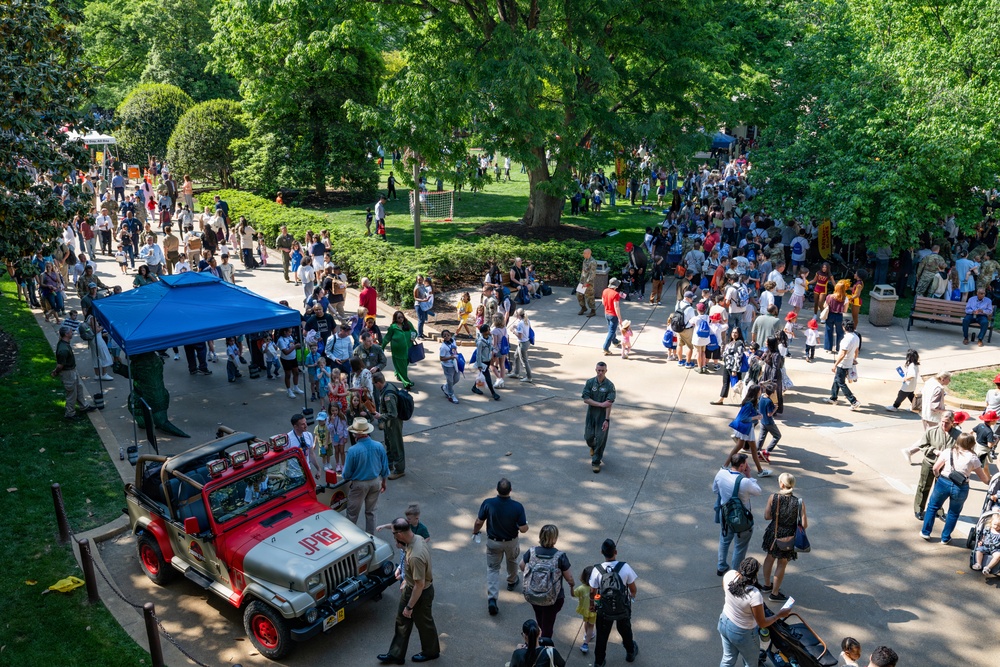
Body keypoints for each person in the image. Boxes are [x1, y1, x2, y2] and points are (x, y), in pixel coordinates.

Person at [377, 517, 440, 665]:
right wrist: (404, 575)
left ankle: (431, 652)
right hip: (410, 587)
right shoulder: (416, 538)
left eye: (393, 534)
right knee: (402, 621)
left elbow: (420, 584)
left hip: (420, 593)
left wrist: (409, 607)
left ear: (399, 534)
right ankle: (396, 654)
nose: (393, 537)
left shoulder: (415, 555)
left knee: (424, 622)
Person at [717, 557, 792, 667]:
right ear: (754, 574)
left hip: (724, 622)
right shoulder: (754, 594)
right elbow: (762, 623)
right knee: (751, 663)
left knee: (728, 658)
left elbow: (726, 589)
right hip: (742, 632)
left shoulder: (730, 575)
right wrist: (779, 615)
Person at [472, 477, 529, 617]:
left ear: (497, 490)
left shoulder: (488, 503)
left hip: (493, 542)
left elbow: (479, 521)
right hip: (511, 541)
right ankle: (511, 581)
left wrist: (475, 531)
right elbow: (523, 529)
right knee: (512, 560)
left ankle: (492, 598)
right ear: (510, 490)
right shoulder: (517, 507)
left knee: (493, 568)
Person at [921, 433, 991, 543]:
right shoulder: (973, 458)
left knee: (933, 507)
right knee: (953, 513)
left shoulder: (948, 452)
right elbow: (983, 478)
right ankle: (945, 537)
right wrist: (991, 482)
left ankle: (926, 532)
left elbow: (935, 468)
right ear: (971, 444)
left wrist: (938, 477)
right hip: (961, 487)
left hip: (943, 481)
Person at [588, 538, 639, 667]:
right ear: (615, 551)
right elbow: (633, 590)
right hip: (622, 608)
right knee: (625, 631)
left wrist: (592, 605)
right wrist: (630, 599)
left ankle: (599, 662)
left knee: (602, 636)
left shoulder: (597, 570)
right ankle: (630, 652)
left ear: (601, 552)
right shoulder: (625, 567)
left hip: (604, 610)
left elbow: (592, 592)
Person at [519, 524, 574, 641]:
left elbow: (521, 566)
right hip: (553, 597)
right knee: (548, 623)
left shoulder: (532, 552)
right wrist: (572, 584)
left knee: (540, 616)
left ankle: (540, 632)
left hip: (534, 594)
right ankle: (544, 645)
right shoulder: (560, 556)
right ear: (555, 538)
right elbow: (569, 577)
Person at [713, 453, 762, 576]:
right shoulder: (745, 481)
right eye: (746, 463)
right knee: (740, 547)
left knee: (724, 540)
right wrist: (749, 475)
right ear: (741, 466)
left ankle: (721, 566)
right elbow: (758, 491)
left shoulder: (720, 474)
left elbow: (715, 490)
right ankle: (735, 573)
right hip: (742, 519)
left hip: (725, 515)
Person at [760, 473, 806, 602]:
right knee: (782, 563)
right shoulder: (799, 502)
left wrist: (777, 517)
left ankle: (767, 585)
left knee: (769, 558)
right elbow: (804, 524)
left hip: (773, 533)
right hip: (788, 536)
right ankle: (775, 593)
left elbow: (767, 516)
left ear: (781, 484)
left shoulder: (773, 497)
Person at [342, 417, 389, 534]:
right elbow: (385, 467)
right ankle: (371, 538)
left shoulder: (353, 450)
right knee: (371, 512)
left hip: (359, 485)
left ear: (355, 434)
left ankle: (351, 538)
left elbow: (346, 474)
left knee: (352, 514)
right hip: (375, 482)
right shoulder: (378, 446)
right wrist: (383, 482)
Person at [51, 326, 96, 420]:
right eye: (71, 332)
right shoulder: (63, 350)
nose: (72, 333)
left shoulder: (64, 343)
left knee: (79, 389)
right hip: (68, 373)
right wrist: (55, 372)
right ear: (66, 334)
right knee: (71, 393)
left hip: (72, 370)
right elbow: (60, 366)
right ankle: (70, 413)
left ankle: (84, 406)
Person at [582, 362, 616, 474]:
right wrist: (600, 404)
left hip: (602, 417)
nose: (600, 372)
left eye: (602, 370)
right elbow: (586, 398)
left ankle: (596, 462)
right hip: (591, 414)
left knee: (601, 439)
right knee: (588, 437)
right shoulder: (590, 382)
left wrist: (607, 419)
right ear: (595, 370)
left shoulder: (610, 385)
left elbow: (609, 403)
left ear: (606, 371)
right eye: (598, 370)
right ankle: (592, 446)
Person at [372, 371, 406, 480]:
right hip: (388, 423)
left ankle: (400, 470)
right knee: (389, 443)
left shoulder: (388, 395)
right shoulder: (387, 387)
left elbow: (393, 414)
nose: (374, 386)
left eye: (374, 384)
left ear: (378, 383)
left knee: (396, 445)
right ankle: (389, 464)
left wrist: (380, 416)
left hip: (393, 423)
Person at [828, 320, 861, 411]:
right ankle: (833, 398)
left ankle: (853, 401)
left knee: (841, 383)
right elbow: (856, 350)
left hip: (842, 364)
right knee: (837, 380)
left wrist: (835, 365)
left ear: (844, 327)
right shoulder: (856, 337)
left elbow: (842, 354)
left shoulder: (846, 339)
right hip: (849, 362)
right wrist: (854, 358)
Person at [382, 311, 415, 390]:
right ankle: (406, 382)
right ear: (395, 319)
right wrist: (382, 348)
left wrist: (413, 336)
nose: (401, 319)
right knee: (403, 368)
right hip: (398, 352)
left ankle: (397, 373)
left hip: (408, 350)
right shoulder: (393, 327)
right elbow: (387, 338)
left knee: (404, 365)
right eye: (399, 317)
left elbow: (414, 331)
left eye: (402, 317)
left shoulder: (408, 324)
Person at [286, 413, 321, 481]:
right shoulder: (288, 439)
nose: (306, 425)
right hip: (294, 475)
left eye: (305, 422)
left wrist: (318, 469)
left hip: (307, 471)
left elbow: (311, 454)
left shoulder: (308, 435)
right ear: (296, 427)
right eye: (302, 424)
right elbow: (283, 459)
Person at [472, 323, 501, 400]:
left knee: (481, 376)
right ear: (484, 332)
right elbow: (478, 354)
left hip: (488, 360)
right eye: (488, 330)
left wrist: (493, 352)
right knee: (488, 378)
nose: (489, 331)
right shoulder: (480, 342)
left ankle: (474, 387)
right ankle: (493, 393)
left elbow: (490, 347)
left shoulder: (489, 338)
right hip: (482, 362)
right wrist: (479, 365)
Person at [573, 566, 597, 654]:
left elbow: (574, 594)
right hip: (593, 611)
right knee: (591, 626)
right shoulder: (597, 588)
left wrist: (571, 587)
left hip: (584, 610)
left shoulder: (581, 588)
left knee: (586, 622)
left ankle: (587, 635)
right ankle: (586, 643)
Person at [277, 327, 303, 399]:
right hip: (286, 359)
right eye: (289, 332)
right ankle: (289, 390)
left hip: (293, 358)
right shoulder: (281, 340)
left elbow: (291, 345)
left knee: (296, 372)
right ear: (285, 332)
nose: (291, 334)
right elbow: (286, 352)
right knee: (288, 375)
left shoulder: (290, 337)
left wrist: (296, 346)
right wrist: (295, 346)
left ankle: (296, 387)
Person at [509, 309, 533, 381]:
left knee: (524, 361)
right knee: (516, 356)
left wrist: (513, 331)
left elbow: (520, 336)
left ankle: (529, 377)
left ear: (518, 315)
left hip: (522, 344)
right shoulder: (526, 320)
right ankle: (516, 373)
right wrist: (516, 327)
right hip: (526, 342)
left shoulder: (520, 323)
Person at [438, 329, 460, 404]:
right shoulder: (443, 347)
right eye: (444, 336)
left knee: (456, 379)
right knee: (450, 381)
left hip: (455, 363)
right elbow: (441, 358)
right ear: (442, 337)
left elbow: (455, 350)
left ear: (450, 335)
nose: (447, 337)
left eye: (448, 335)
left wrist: (457, 356)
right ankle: (451, 395)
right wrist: (450, 357)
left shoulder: (453, 341)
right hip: (448, 366)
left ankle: (445, 387)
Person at [577, 248, 598, 316]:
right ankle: (583, 307)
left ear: (588, 254)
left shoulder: (593, 262)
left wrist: (587, 282)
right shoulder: (585, 260)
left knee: (589, 296)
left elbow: (592, 274)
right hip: (583, 281)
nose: (583, 254)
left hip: (589, 282)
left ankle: (593, 310)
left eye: (584, 253)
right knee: (579, 294)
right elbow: (583, 271)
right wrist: (581, 281)